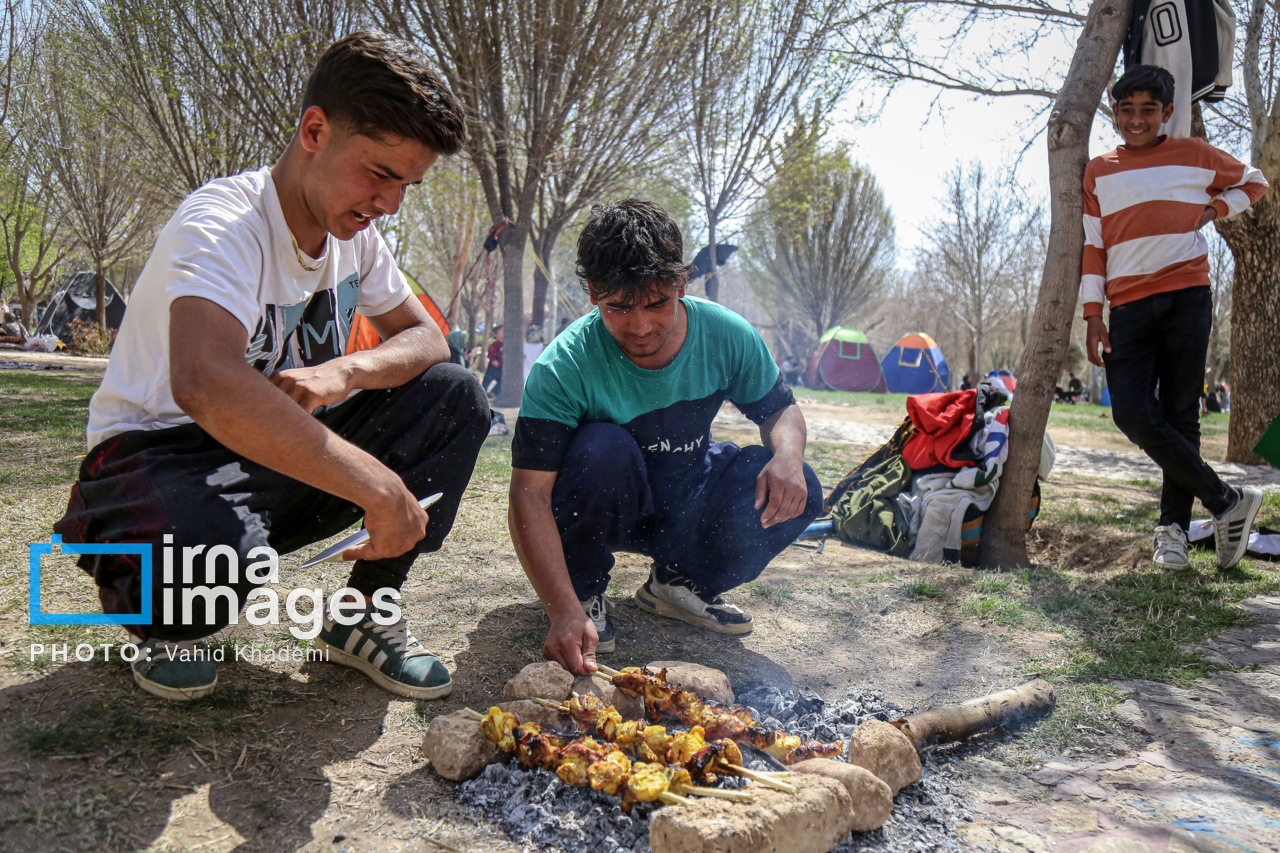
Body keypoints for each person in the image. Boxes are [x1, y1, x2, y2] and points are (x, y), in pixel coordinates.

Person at [52, 31, 490, 702]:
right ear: (315, 130)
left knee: (454, 395)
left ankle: (363, 615)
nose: (391, 203)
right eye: (380, 173)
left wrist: (345, 371)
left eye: (407, 184)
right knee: (202, 576)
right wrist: (375, 483)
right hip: (155, 463)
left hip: (265, 455)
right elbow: (203, 381)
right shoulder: (224, 225)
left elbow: (428, 338)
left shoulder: (358, 240)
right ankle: (157, 614)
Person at [508, 199, 823, 676]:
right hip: (607, 502)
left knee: (802, 484)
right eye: (618, 307)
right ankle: (583, 593)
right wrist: (560, 607)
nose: (640, 326)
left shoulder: (726, 335)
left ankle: (680, 583)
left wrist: (788, 454)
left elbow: (780, 410)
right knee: (601, 447)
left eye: (657, 303)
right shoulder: (564, 366)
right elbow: (529, 495)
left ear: (681, 283)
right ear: (593, 293)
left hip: (685, 497)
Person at [1082, 64, 1267, 571]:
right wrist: (1093, 315)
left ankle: (1173, 534)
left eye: (1148, 110)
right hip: (1128, 307)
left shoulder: (1195, 156)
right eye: (1126, 110)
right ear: (1115, 114)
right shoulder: (1099, 170)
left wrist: (1214, 212)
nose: (1136, 120)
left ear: (1167, 114)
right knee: (1133, 414)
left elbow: (1255, 182)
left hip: (1188, 296)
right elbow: (1093, 246)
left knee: (1182, 412)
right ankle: (1227, 501)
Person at [483, 324, 503, 397]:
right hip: (493, 367)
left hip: (502, 368)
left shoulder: (506, 344)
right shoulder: (494, 344)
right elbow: (491, 353)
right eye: (502, 331)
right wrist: (493, 360)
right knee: (487, 380)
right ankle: (483, 392)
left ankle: (493, 393)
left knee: (501, 382)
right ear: (496, 334)